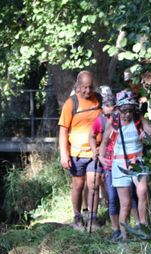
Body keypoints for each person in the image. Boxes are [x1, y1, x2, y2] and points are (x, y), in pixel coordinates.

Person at [98, 89, 151, 239]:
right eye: (124, 110)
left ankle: (143, 227)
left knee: (142, 192)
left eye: (130, 110)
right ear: (118, 109)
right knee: (125, 204)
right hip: (119, 164)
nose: (127, 114)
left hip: (138, 161)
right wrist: (101, 157)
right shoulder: (113, 122)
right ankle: (124, 236)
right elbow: (104, 141)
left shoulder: (138, 119)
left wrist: (149, 134)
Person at [89, 87, 139, 240]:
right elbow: (101, 140)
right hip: (111, 165)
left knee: (132, 197)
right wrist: (99, 155)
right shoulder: (104, 121)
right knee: (112, 198)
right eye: (107, 110)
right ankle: (116, 229)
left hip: (125, 162)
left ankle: (135, 226)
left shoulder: (131, 120)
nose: (111, 114)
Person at [58, 71, 103, 230]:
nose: (87, 91)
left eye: (90, 87)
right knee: (78, 185)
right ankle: (77, 217)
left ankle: (92, 217)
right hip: (76, 153)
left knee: (94, 185)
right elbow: (63, 130)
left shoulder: (99, 100)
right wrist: (64, 153)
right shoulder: (71, 103)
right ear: (78, 86)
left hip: (95, 152)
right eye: (84, 87)